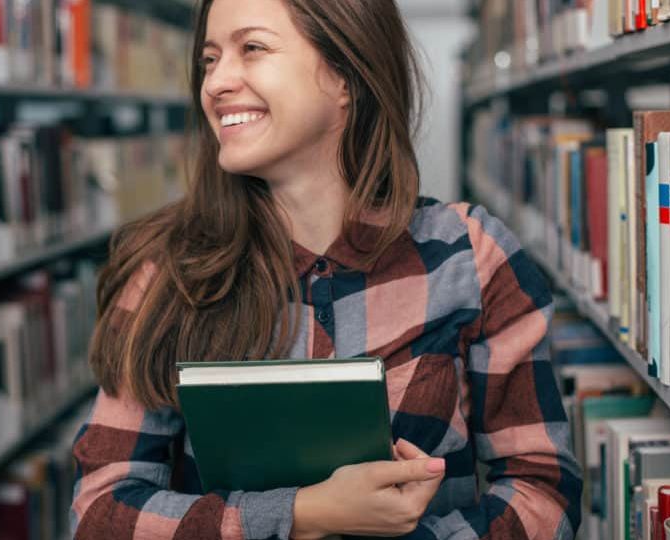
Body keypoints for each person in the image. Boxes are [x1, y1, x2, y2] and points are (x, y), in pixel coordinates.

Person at [69, 0, 582, 538]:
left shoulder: (470, 258)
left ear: (345, 75)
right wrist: (301, 514)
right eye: (209, 59)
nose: (216, 83)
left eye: (253, 49)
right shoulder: (166, 274)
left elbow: (541, 491)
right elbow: (101, 511)